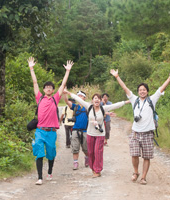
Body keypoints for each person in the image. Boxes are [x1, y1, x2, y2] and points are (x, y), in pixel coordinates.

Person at [110, 68, 170, 185]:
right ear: (138, 91)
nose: (142, 91)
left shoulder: (152, 100)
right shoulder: (134, 99)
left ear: (147, 91)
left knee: (146, 157)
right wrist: (117, 77)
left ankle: (143, 177)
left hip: (148, 133)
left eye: (144, 90)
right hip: (135, 133)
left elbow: (162, 88)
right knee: (134, 154)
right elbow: (125, 88)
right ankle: (136, 172)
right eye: (140, 90)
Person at [28, 57, 74, 185]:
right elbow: (35, 83)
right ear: (43, 90)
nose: (48, 88)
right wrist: (31, 68)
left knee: (51, 153)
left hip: (52, 132)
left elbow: (63, 85)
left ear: (53, 90)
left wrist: (67, 71)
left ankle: (49, 171)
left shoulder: (55, 99)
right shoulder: (39, 98)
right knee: (39, 152)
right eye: (46, 87)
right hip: (40, 130)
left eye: (50, 87)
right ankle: (40, 177)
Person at [64, 89, 130, 178]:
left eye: (98, 98)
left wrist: (128, 101)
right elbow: (78, 99)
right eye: (95, 98)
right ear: (92, 100)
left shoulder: (103, 108)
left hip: (100, 135)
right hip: (90, 134)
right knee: (90, 152)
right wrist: (68, 93)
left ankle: (98, 170)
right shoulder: (89, 106)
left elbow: (116, 105)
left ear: (100, 101)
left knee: (98, 152)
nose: (97, 100)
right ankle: (93, 168)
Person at [63, 90, 89, 170]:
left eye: (81, 96)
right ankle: (75, 163)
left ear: (84, 98)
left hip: (85, 130)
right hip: (75, 130)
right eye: (78, 96)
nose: (79, 97)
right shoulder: (75, 106)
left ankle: (87, 158)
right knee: (75, 148)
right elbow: (67, 102)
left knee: (86, 148)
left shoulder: (88, 107)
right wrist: (65, 94)